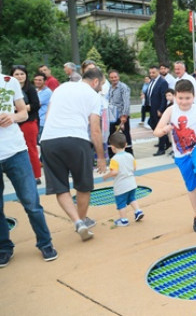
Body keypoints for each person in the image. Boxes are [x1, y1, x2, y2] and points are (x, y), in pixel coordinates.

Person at [40, 68, 108, 241]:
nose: (101, 88)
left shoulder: (61, 88)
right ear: (95, 82)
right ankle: (83, 219)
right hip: (76, 139)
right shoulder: (94, 96)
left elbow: (48, 117)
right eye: (101, 84)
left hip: (49, 139)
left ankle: (77, 221)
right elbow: (95, 130)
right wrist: (101, 157)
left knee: (59, 185)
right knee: (83, 184)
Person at [0, 71, 57, 267]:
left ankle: (45, 242)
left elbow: (24, 113)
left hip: (15, 151)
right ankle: (4, 247)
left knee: (31, 202)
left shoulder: (9, 82)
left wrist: (13, 117)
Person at [153, 79, 196, 232]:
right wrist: (164, 130)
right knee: (191, 186)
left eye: (187, 98)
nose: (184, 102)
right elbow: (156, 131)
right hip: (181, 154)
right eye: (180, 98)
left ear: (193, 96)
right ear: (175, 96)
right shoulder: (170, 111)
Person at [102, 132, 144, 227]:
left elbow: (114, 172)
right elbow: (134, 168)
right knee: (132, 198)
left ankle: (123, 220)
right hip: (132, 183)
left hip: (121, 186)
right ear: (126, 144)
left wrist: (106, 176)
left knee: (121, 203)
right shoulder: (130, 156)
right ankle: (138, 211)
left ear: (112, 147)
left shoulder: (114, 159)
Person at [11, 66, 41, 185]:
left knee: (31, 149)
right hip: (13, 123)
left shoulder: (30, 89)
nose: (19, 76)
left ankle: (36, 176)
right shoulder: (8, 89)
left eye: (22, 74)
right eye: (17, 74)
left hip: (29, 122)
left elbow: (35, 105)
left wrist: (20, 109)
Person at [107, 70, 132, 157]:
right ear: (109, 78)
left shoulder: (123, 87)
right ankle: (112, 154)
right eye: (112, 77)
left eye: (115, 77)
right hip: (112, 115)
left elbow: (126, 102)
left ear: (118, 77)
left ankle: (129, 153)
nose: (114, 79)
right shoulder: (110, 87)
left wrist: (124, 115)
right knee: (111, 134)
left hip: (121, 115)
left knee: (125, 135)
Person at [147, 66, 170, 156]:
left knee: (159, 128)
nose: (151, 74)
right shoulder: (152, 81)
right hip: (151, 108)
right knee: (151, 123)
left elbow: (164, 98)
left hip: (158, 109)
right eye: (150, 73)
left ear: (158, 72)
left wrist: (161, 109)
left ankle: (161, 149)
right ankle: (166, 142)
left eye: (153, 72)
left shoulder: (162, 82)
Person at [33, 72, 52, 142]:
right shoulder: (36, 91)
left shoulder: (47, 92)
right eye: (36, 80)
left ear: (45, 81)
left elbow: (36, 104)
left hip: (42, 122)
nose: (37, 82)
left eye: (40, 80)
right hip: (36, 120)